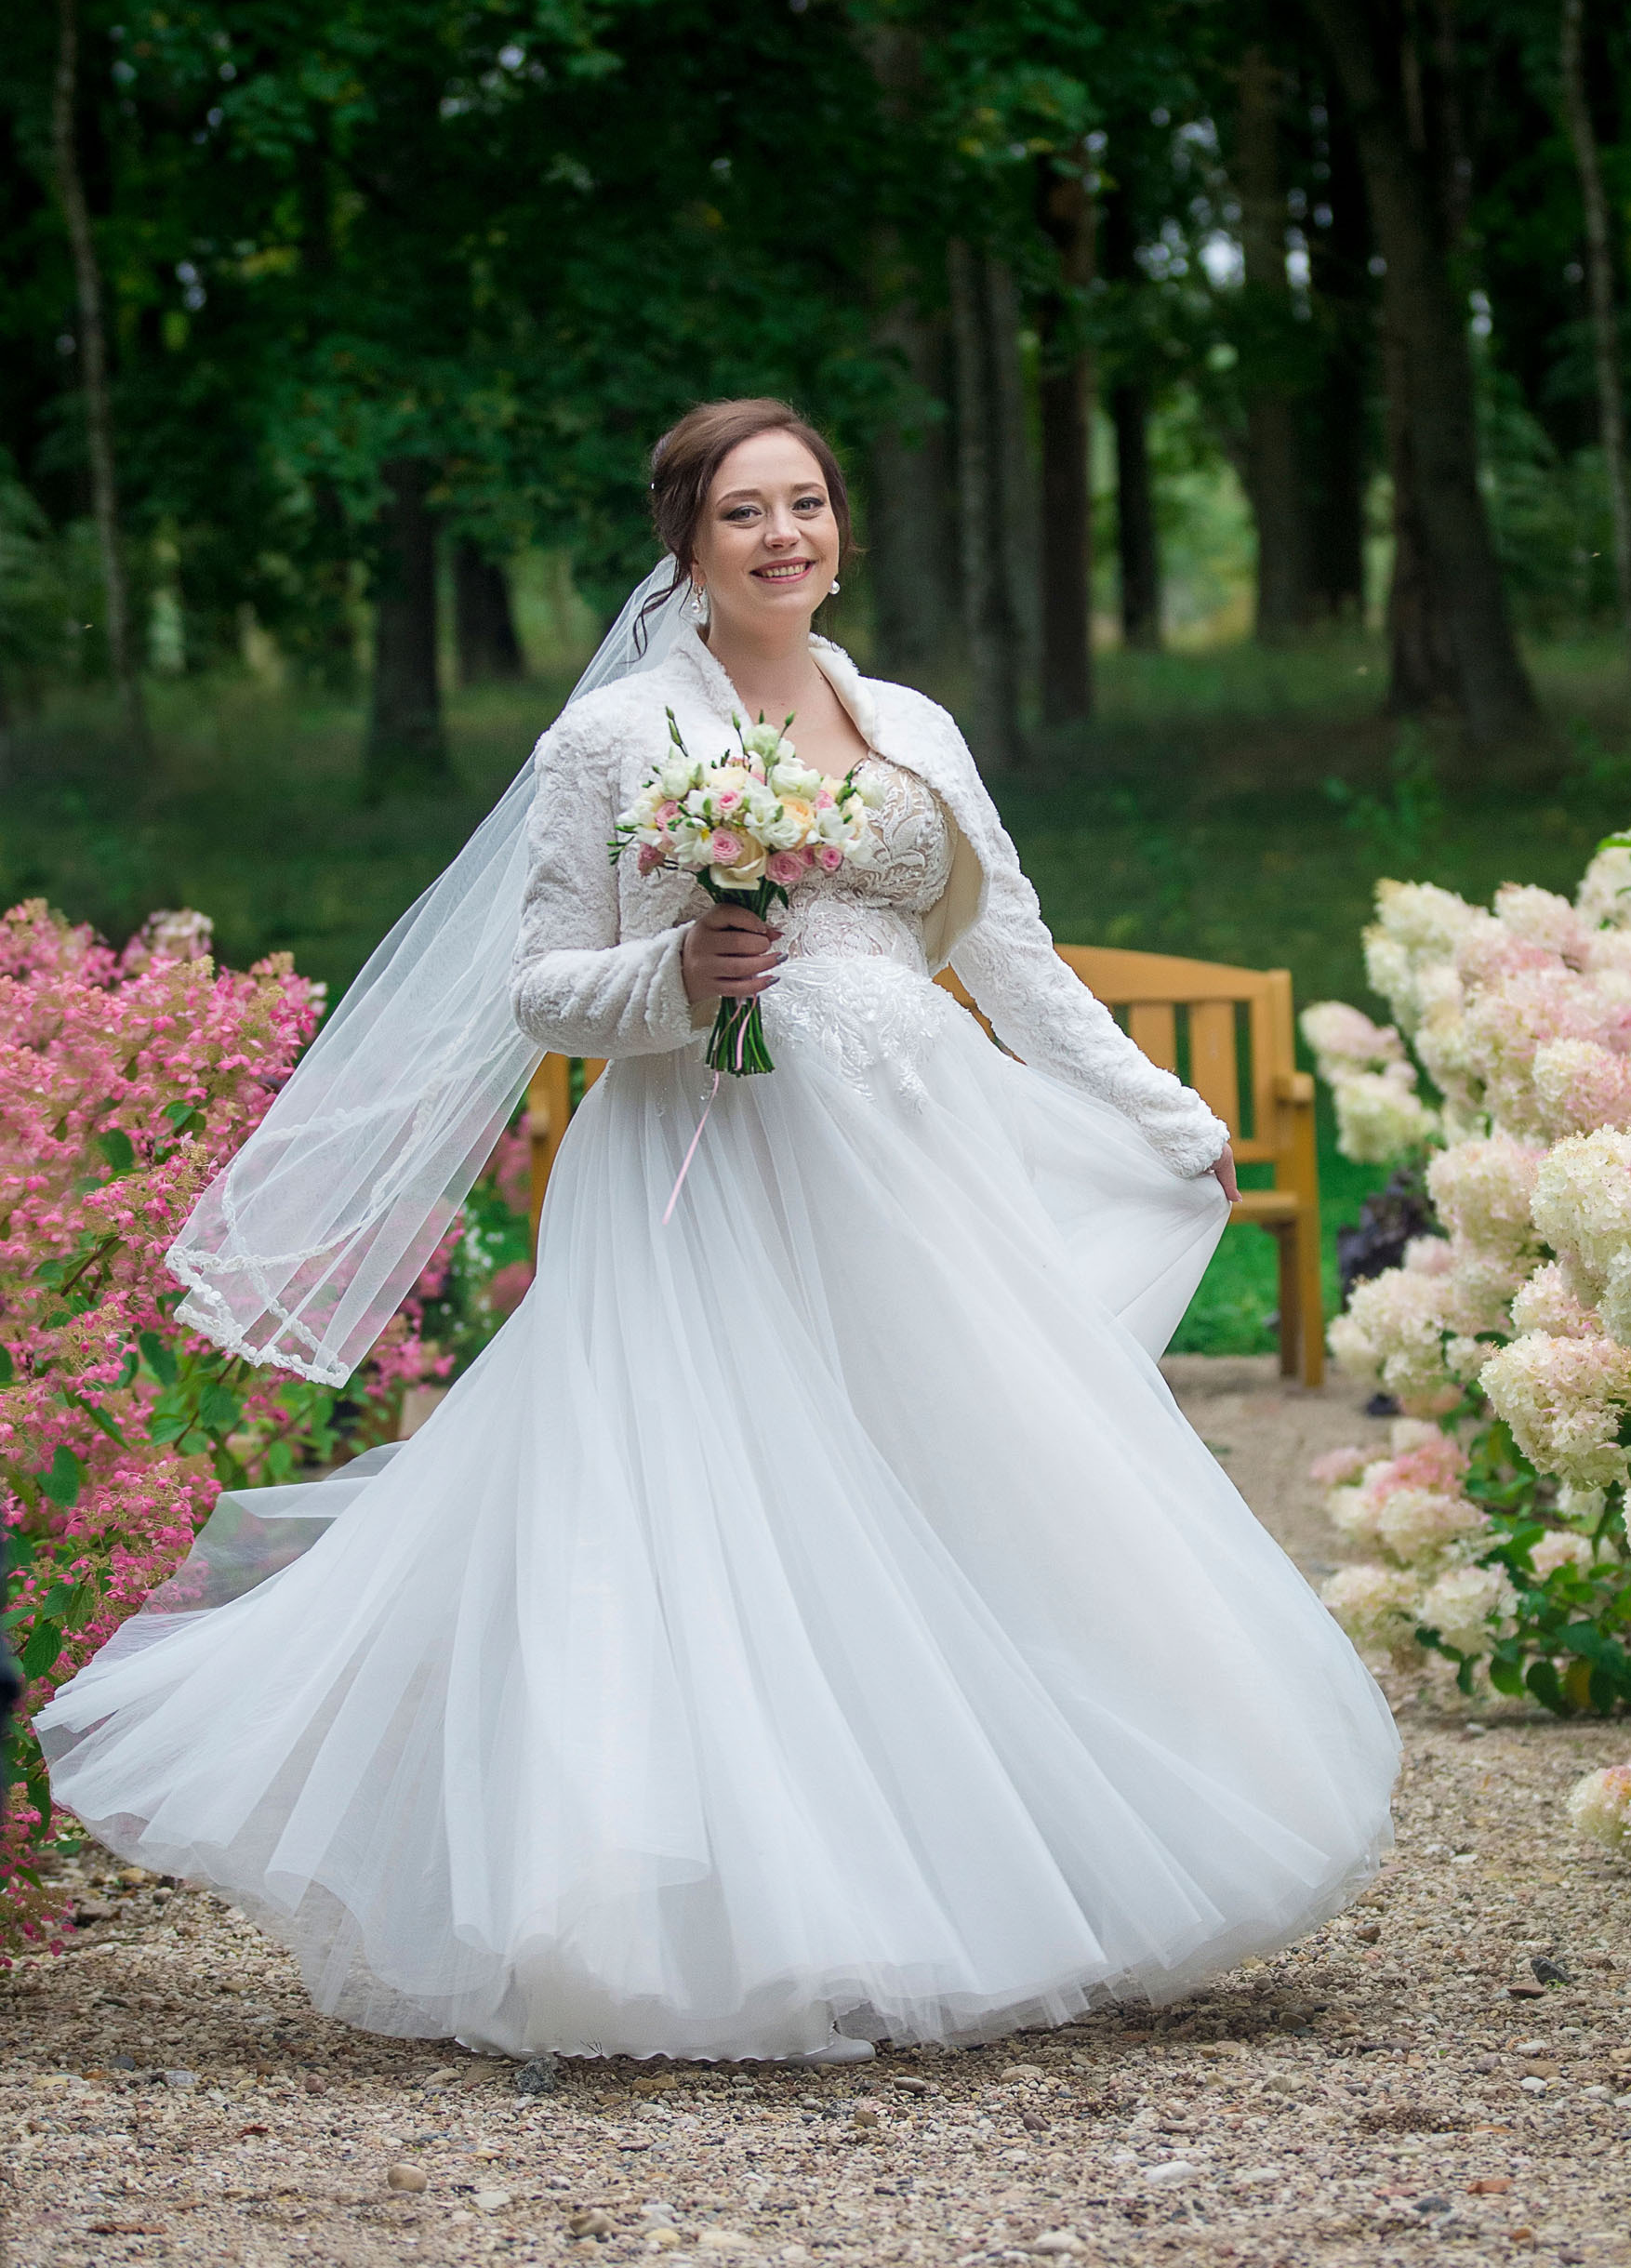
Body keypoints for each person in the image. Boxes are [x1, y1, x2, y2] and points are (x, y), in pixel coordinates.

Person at [39, 397, 1399, 2066]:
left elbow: (1020, 956)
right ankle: (732, 1917)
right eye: (744, 512)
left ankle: (983, 1886)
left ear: (842, 530)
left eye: (808, 505)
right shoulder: (612, 739)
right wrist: (676, 980)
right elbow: (542, 983)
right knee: (712, 1511)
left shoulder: (907, 722)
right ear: (684, 541)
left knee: (952, 1491)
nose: (783, 537)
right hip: (706, 1164)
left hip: (919, 1164)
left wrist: (1163, 1117)